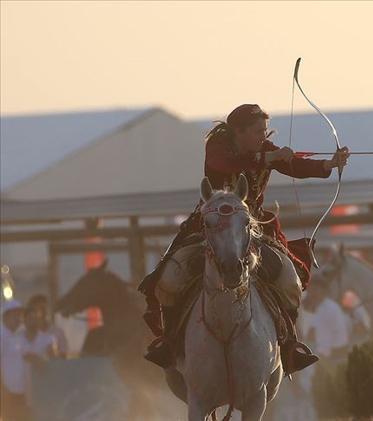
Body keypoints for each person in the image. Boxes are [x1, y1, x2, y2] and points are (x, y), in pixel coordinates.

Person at [140, 104, 350, 373]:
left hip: (255, 227)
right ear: (238, 132)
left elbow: (293, 164)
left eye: (264, 130)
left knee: (289, 279)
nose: (263, 136)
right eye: (257, 131)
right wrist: (271, 157)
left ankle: (289, 345)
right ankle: (168, 343)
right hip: (212, 225)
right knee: (169, 275)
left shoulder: (264, 149)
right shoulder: (218, 147)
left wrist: (328, 163)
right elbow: (227, 165)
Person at [20, 305, 56, 406]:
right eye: (30, 318)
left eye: (36, 319)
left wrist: (38, 360)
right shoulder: (17, 339)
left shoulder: (47, 339)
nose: (33, 321)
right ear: (24, 320)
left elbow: (54, 362)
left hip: (42, 390)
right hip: (21, 391)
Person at [1, 300, 28, 421]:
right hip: (6, 393)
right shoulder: (1, 336)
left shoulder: (18, 336)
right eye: (15, 315)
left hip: (20, 392)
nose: (18, 319)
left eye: (19, 315)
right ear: (6, 316)